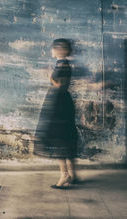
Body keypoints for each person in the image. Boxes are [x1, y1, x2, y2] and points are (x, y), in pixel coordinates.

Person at [34, 38, 79, 189]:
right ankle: (73, 175)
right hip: (62, 103)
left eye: (53, 48)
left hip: (59, 105)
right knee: (65, 137)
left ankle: (64, 174)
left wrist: (50, 78)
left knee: (58, 138)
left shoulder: (63, 65)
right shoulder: (62, 64)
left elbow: (61, 86)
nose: (51, 51)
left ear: (59, 50)